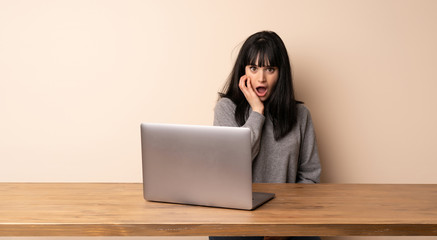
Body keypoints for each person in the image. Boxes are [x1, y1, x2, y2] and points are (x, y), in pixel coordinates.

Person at [210, 31, 322, 240]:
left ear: (281, 73)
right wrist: (256, 112)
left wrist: (283, 223)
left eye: (270, 69)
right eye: (254, 68)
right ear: (243, 72)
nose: (261, 78)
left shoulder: (301, 115)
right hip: (238, 217)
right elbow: (231, 166)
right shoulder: (226, 109)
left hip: (288, 217)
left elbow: (310, 177)